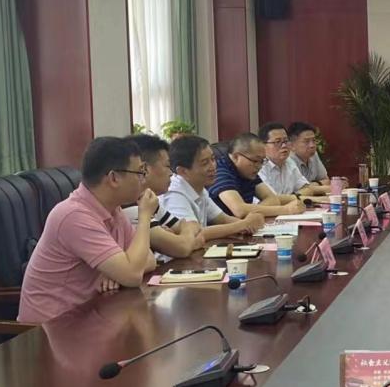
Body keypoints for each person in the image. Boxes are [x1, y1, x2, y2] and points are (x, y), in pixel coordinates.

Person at [18, 137, 158, 323]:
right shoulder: (74, 216)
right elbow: (133, 274)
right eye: (139, 172)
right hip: (51, 328)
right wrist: (145, 216)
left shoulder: (112, 209)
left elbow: (148, 259)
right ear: (113, 178)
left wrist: (117, 272)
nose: (143, 180)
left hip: (88, 314)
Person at [161, 135, 266, 240]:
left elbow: (223, 219)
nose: (213, 167)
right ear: (183, 171)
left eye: (213, 159)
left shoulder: (200, 187)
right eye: (205, 163)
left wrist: (250, 224)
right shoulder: (173, 194)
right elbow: (193, 234)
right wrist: (243, 224)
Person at [126, 133, 205, 259]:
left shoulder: (149, 201)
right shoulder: (132, 208)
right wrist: (186, 240)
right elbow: (182, 248)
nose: (171, 173)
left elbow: (194, 227)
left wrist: (181, 236)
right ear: (144, 169)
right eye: (167, 166)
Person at [208, 133, 306, 218]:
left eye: (262, 161)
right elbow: (239, 210)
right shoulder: (219, 171)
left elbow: (273, 199)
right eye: (255, 161)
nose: (259, 166)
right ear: (236, 156)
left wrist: (252, 211)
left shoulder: (248, 171)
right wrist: (286, 210)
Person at [258, 122, 329, 197]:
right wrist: (295, 197)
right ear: (263, 146)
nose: (284, 145)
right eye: (277, 142)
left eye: (286, 141)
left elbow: (307, 189)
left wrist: (292, 197)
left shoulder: (289, 162)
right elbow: (272, 198)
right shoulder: (259, 167)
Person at [288, 121, 331, 187]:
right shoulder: (288, 160)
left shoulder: (313, 155)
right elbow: (299, 189)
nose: (312, 145)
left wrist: (313, 185)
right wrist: (318, 184)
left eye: (314, 140)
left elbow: (326, 180)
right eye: (306, 141)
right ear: (292, 146)